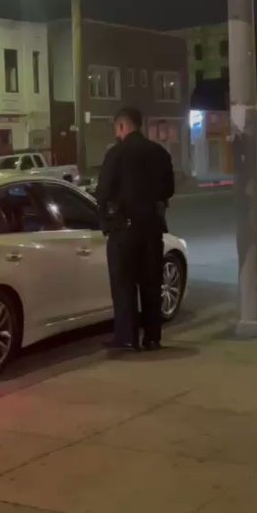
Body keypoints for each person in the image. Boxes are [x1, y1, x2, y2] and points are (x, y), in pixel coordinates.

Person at [95, 106, 175, 351]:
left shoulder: (116, 154)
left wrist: (107, 220)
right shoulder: (160, 153)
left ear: (121, 126)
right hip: (152, 230)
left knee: (124, 285)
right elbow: (169, 189)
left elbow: (103, 192)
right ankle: (152, 337)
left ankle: (127, 338)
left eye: (116, 128)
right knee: (151, 284)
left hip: (124, 230)